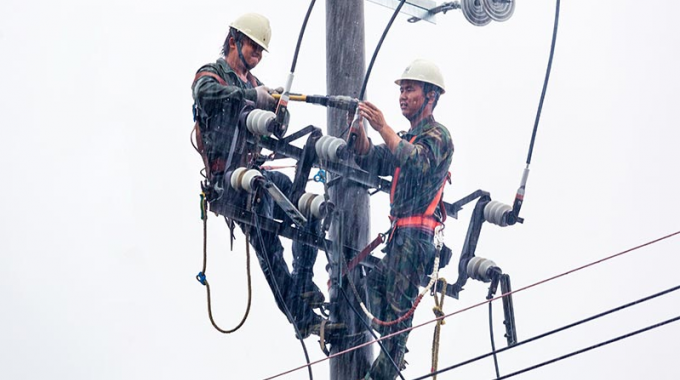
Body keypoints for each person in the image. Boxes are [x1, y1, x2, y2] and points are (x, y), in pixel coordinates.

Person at [191, 13, 324, 338]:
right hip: (232, 182)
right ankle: (302, 318)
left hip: (257, 173)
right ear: (234, 40)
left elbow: (275, 131)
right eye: (253, 46)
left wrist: (278, 109)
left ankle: (303, 283)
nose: (258, 54)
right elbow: (207, 96)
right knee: (270, 249)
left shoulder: (253, 84)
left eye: (261, 50)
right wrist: (254, 97)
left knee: (306, 209)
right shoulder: (211, 75)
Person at [351, 59, 454, 379]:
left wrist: (381, 128)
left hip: (416, 240)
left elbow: (415, 163)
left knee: (396, 323)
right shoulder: (405, 138)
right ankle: (394, 349)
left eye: (410, 89)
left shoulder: (438, 137)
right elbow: (374, 157)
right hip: (400, 239)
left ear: (431, 96)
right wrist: (360, 132)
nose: (402, 96)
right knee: (369, 288)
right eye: (402, 90)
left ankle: (389, 361)